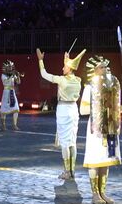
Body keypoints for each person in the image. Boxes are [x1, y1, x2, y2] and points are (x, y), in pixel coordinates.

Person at [36, 47, 85, 180]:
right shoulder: (78, 81)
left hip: (64, 110)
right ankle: (72, 170)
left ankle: (66, 171)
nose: (62, 69)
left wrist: (41, 61)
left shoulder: (62, 80)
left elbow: (44, 74)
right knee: (73, 142)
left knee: (65, 142)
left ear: (69, 68)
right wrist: (66, 60)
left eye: (64, 67)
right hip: (74, 109)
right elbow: (69, 71)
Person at [80, 54, 122, 204]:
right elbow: (83, 110)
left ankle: (102, 192)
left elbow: (115, 106)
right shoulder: (89, 87)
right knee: (95, 160)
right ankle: (94, 194)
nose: (104, 70)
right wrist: (98, 105)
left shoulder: (112, 87)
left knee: (105, 161)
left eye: (105, 67)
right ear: (95, 70)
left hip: (109, 126)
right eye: (101, 67)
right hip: (96, 128)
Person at [0, 60, 22, 131]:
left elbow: (18, 82)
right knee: (3, 110)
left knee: (16, 109)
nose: (10, 68)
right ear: (5, 68)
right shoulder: (3, 75)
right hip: (6, 93)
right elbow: (6, 81)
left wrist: (18, 76)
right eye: (9, 67)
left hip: (12, 92)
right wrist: (12, 75)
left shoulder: (12, 74)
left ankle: (14, 125)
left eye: (11, 67)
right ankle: (3, 125)